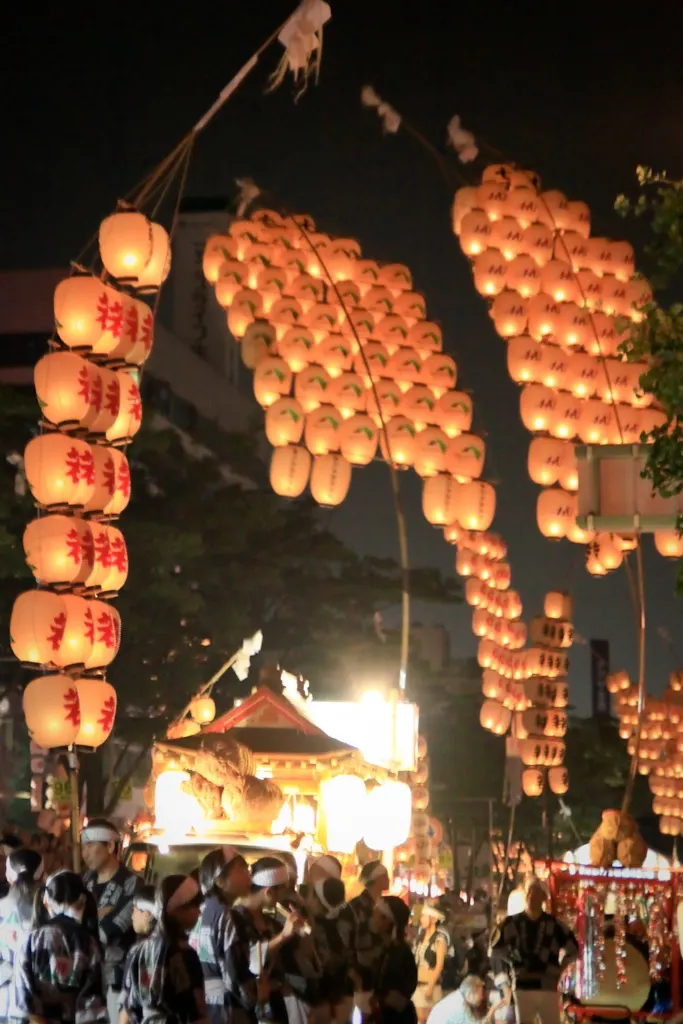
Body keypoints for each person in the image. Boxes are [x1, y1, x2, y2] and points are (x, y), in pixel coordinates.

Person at [11, 868, 108, 1024]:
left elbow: (23, 1003)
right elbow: (92, 1010)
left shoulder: (30, 940)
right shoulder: (88, 943)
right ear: (82, 901)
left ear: (45, 901)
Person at [119, 874, 207, 1024]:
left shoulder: (137, 951)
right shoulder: (184, 953)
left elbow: (127, 1010)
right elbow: (196, 1012)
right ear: (177, 909)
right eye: (195, 906)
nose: (199, 913)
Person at [232, 857, 306, 1024]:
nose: (285, 897)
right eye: (283, 891)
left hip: (275, 1002)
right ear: (268, 892)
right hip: (250, 1003)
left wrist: (301, 931)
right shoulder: (235, 919)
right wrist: (283, 936)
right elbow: (249, 958)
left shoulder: (270, 921)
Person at [192, 847, 258, 1024]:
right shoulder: (228, 916)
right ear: (220, 881)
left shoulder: (201, 912)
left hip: (204, 1007)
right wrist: (253, 999)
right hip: (227, 1009)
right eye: (242, 869)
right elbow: (235, 971)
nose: (249, 874)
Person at [81, 818, 137, 1023]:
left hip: (118, 980)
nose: (84, 853)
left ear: (110, 846)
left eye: (90, 845)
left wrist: (89, 921)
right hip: (85, 980)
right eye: (83, 846)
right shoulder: (83, 882)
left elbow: (112, 929)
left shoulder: (131, 884)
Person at [493, 876, 577, 991]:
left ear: (543, 898)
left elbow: (573, 949)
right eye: (530, 892)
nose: (531, 896)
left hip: (547, 983)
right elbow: (495, 950)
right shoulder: (510, 924)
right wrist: (505, 981)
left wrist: (559, 970)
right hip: (520, 983)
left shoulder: (555, 926)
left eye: (536, 893)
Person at [0, 849, 44, 1018]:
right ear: (42, 876)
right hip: (40, 1003)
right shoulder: (49, 912)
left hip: (4, 1000)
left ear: (9, 876)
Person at [337, 861, 390, 998]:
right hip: (361, 973)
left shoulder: (382, 905)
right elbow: (347, 939)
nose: (388, 879)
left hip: (378, 974)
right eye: (385, 875)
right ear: (377, 879)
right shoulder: (356, 906)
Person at [302, 876, 350, 1024]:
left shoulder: (311, 929)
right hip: (340, 996)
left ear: (318, 902)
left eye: (310, 895)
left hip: (318, 999)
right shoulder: (343, 925)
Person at [372, 896, 417, 1024]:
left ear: (386, 921)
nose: (372, 918)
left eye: (376, 914)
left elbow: (401, 997)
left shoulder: (402, 954)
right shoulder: (385, 950)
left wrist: (380, 997)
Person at [413, 905, 449, 1022]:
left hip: (431, 986)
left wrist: (431, 986)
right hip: (418, 985)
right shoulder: (420, 937)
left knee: (430, 1019)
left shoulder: (439, 939)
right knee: (419, 1019)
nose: (421, 919)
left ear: (433, 919)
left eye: (424, 916)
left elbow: (439, 965)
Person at [425, 975, 503, 1024]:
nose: (482, 997)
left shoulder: (458, 996)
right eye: (480, 993)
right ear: (469, 995)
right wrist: (492, 1010)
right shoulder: (460, 1007)